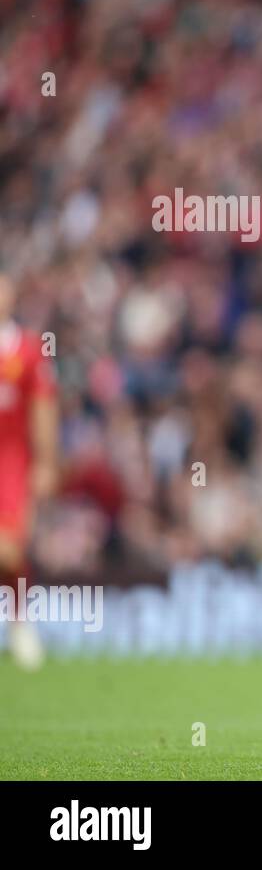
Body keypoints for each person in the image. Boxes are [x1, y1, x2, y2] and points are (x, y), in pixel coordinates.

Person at [0, 274, 59, 671]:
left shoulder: (28, 349)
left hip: (11, 459)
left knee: (9, 549)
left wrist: (46, 462)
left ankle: (21, 623)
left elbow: (43, 407)